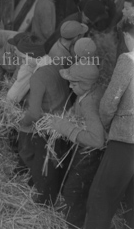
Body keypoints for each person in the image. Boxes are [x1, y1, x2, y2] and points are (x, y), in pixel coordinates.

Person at [84, 19, 134, 229]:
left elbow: (109, 102)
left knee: (101, 198)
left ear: (129, 36)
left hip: (126, 139)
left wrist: (104, 125)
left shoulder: (128, 60)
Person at [50, 62, 105, 228]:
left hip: (90, 153)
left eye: (73, 84)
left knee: (74, 191)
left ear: (84, 84)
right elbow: (79, 110)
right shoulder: (91, 91)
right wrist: (70, 115)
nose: (69, 86)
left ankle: (75, 224)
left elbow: (97, 140)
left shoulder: (89, 103)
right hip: (86, 151)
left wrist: (65, 127)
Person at [17, 36, 70, 205]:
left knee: (42, 165)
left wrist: (22, 122)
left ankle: (44, 200)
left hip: (47, 127)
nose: (20, 61)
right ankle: (54, 193)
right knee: (56, 162)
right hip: (63, 121)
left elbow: (34, 113)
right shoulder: (55, 64)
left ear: (30, 57)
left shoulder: (37, 77)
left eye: (21, 57)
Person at [6, 33, 51, 103]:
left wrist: (7, 102)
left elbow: (13, 97)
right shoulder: (44, 61)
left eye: (23, 58)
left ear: (31, 56)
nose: (23, 62)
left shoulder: (41, 73)